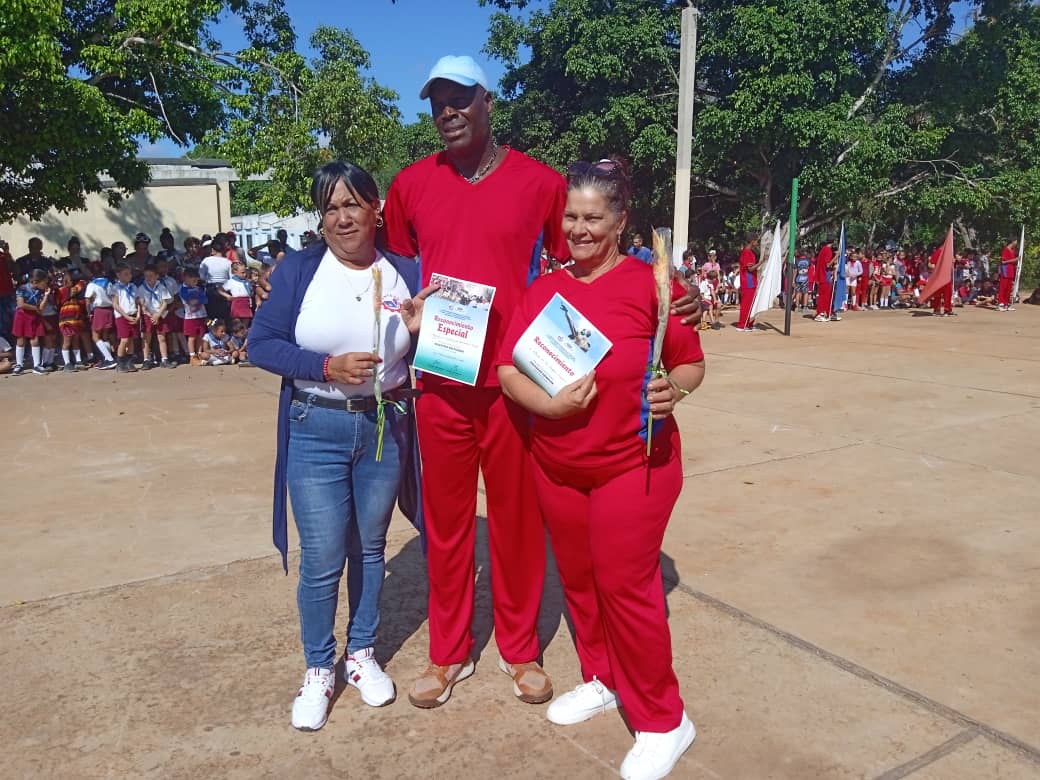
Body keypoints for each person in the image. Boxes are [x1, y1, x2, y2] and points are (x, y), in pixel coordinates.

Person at [497, 159, 704, 780]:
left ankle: (665, 720)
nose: (579, 229)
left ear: (619, 221)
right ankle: (602, 677)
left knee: (626, 587)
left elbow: (690, 364)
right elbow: (510, 371)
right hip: (558, 466)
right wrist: (549, 404)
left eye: (593, 218)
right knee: (581, 584)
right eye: (571, 217)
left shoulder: (651, 286)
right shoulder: (543, 290)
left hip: (634, 465)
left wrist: (677, 391)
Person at [249, 161, 432, 731]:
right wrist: (325, 366)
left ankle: (361, 654)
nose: (342, 217)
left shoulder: (407, 270)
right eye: (330, 208)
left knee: (371, 548)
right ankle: (319, 666)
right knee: (324, 557)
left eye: (353, 203)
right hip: (316, 426)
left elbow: (437, 353)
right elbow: (262, 344)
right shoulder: (301, 271)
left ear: (376, 209)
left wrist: (426, 331)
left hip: (384, 424)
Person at [11, 269, 52, 375]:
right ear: (35, 281)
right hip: (22, 315)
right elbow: (21, 304)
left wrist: (46, 295)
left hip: (34, 316)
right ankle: (19, 365)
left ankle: (37, 365)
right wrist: (35, 308)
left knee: (35, 339)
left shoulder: (41, 291)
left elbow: (41, 308)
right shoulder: (22, 288)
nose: (46, 284)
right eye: (44, 282)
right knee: (21, 339)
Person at [137, 264, 175, 369]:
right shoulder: (141, 288)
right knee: (146, 338)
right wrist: (150, 315)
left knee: (161, 337)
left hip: (160, 315)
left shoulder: (161, 287)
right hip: (148, 315)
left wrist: (158, 315)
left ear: (157, 276)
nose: (148, 278)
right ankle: (146, 360)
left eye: (151, 275)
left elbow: (165, 302)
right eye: (146, 276)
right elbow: (141, 304)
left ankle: (164, 359)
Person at [57, 268, 91, 371]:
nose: (69, 282)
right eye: (67, 280)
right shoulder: (62, 291)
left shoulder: (75, 291)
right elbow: (78, 286)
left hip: (76, 320)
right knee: (67, 341)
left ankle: (78, 360)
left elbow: (80, 285)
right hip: (66, 320)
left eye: (71, 280)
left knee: (76, 340)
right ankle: (67, 363)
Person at [111, 262, 141, 373]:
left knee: (131, 339)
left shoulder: (133, 286)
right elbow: (115, 304)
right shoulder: (115, 288)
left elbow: (137, 301)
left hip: (133, 315)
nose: (129, 276)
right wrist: (125, 316)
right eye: (126, 274)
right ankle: (120, 362)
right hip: (122, 316)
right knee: (124, 339)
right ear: (118, 275)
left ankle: (129, 362)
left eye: (130, 274)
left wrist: (138, 315)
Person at [85, 269, 118, 369]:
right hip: (109, 309)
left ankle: (109, 359)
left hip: (99, 310)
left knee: (95, 336)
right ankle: (107, 358)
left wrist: (89, 313)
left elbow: (87, 300)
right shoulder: (108, 283)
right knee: (105, 336)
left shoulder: (92, 284)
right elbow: (113, 296)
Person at [200, 235, 233, 321]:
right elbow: (231, 278)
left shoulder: (206, 260)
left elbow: (201, 276)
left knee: (210, 315)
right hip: (224, 289)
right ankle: (224, 331)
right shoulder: (228, 262)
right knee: (224, 315)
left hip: (210, 289)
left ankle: (211, 331)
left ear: (212, 250)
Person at [179, 268, 209, 362]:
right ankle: (192, 356)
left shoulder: (199, 288)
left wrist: (198, 299)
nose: (195, 282)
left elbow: (205, 299)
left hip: (201, 315)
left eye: (196, 280)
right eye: (192, 280)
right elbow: (190, 301)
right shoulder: (183, 289)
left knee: (201, 335)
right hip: (190, 317)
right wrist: (198, 299)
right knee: (192, 337)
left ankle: (199, 353)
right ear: (185, 278)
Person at [736, 233, 761, 330]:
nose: (757, 243)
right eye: (756, 241)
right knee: (746, 304)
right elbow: (750, 269)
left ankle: (749, 324)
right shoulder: (746, 252)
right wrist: (762, 261)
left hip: (752, 281)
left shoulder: (750, 252)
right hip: (748, 282)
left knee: (751, 304)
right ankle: (742, 325)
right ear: (752, 241)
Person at [220, 261, 254, 327]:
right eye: (242, 273)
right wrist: (227, 296)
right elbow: (220, 290)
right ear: (235, 272)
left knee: (245, 324)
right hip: (237, 303)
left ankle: (244, 335)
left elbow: (251, 290)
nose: (245, 274)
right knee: (237, 325)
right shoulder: (231, 281)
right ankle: (235, 336)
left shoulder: (247, 281)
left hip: (246, 304)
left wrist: (251, 294)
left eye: (245, 272)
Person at [813, 240, 837, 322]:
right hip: (824, 276)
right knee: (824, 296)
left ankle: (827, 312)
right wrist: (836, 256)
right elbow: (827, 264)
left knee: (826, 296)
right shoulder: (828, 250)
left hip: (823, 276)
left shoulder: (823, 250)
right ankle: (819, 313)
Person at [998, 238, 1018, 312]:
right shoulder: (1005, 250)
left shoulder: (1012, 251)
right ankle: (1000, 304)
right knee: (1003, 288)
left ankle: (1007, 304)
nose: (1016, 243)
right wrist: (1014, 260)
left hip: (1011, 272)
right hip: (1005, 271)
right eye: (1016, 241)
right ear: (1012, 241)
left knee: (1009, 289)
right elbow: (1003, 262)